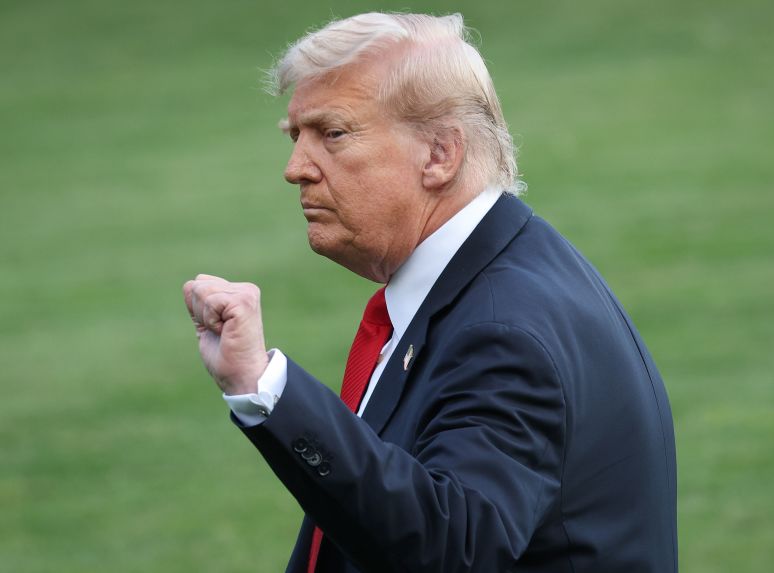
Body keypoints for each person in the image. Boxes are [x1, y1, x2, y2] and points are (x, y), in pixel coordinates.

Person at [183, 12, 677, 573]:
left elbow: (452, 548)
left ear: (440, 154)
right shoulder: (500, 274)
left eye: (333, 134)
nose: (296, 169)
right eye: (296, 136)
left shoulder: (502, 330)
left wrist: (266, 388)